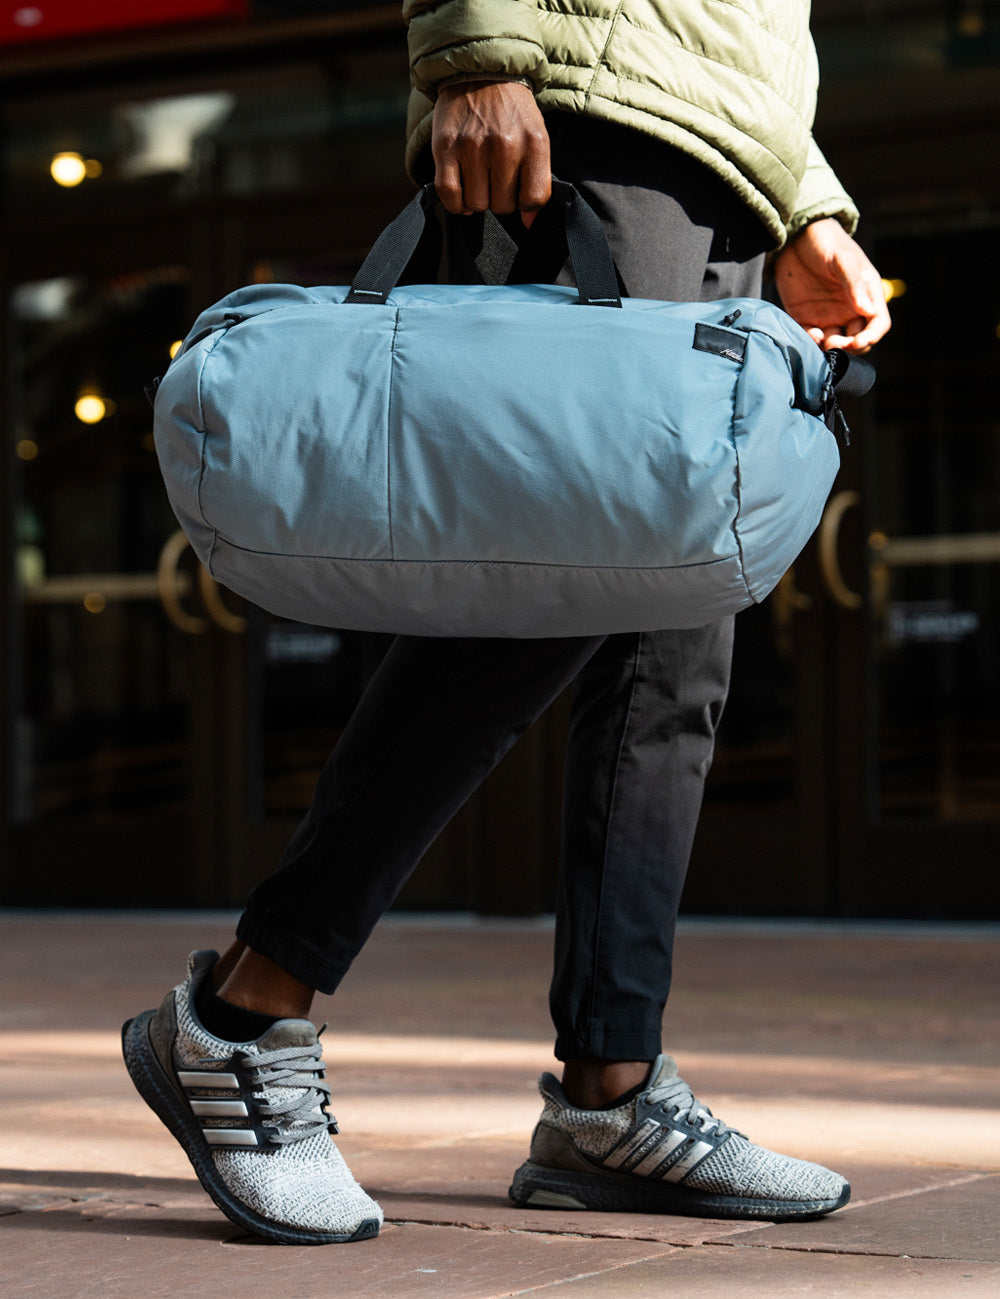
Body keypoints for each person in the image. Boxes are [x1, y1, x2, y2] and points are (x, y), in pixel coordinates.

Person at [122, 0, 891, 1245]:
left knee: (673, 651)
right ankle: (242, 1017)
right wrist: (475, 51)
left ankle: (610, 1090)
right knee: (534, 592)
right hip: (581, 114)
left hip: (722, 157)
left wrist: (798, 200)